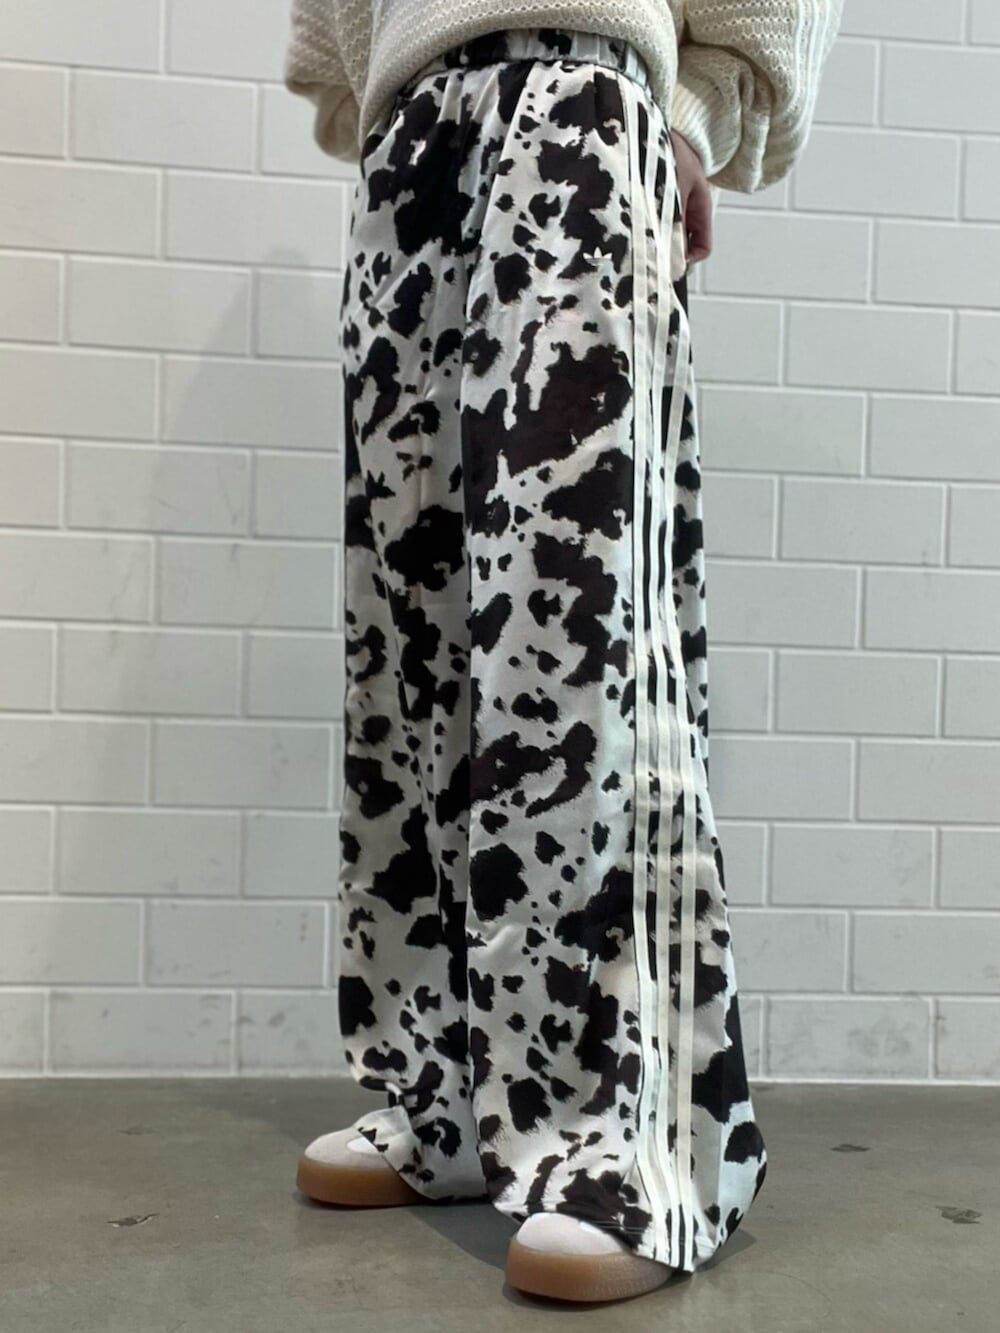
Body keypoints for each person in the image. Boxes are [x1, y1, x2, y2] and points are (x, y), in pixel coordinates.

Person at [283, 0, 843, 1305]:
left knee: (577, 640)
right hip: (413, 134)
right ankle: (445, 1093)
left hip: (580, 98)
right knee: (407, 645)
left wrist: (694, 113)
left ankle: (639, 1147)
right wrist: (380, 102)